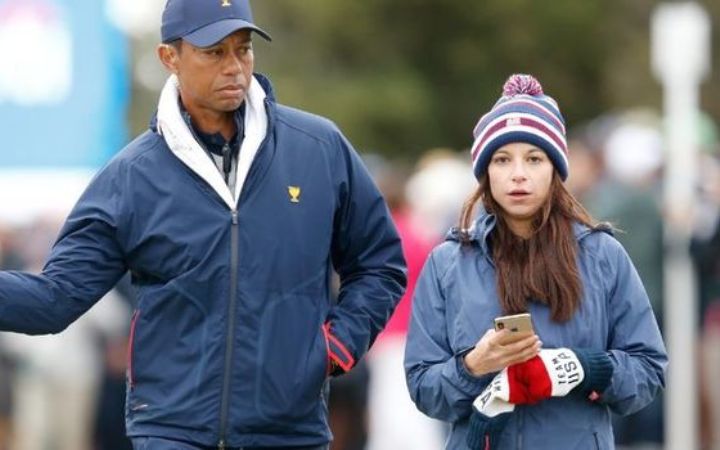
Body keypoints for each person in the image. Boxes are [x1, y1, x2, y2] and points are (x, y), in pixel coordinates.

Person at [0, 1, 407, 449]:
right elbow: (55, 299)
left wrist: (334, 349)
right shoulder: (131, 177)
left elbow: (380, 264)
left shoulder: (319, 148)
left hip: (290, 431)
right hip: (172, 433)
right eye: (214, 52)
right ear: (168, 58)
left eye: (243, 49)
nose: (234, 67)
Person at [404, 74, 666, 449]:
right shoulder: (448, 262)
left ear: (555, 169)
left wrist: (582, 369)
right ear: (485, 172)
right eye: (502, 159)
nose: (518, 174)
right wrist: (473, 366)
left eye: (534, 158)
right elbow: (423, 388)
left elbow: (648, 371)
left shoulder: (602, 255)